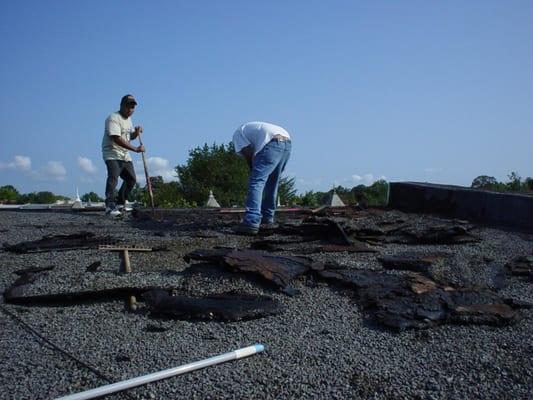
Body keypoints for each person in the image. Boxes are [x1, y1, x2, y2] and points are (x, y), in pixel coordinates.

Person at [232, 121, 292, 235]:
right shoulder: (249, 130)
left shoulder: (237, 135)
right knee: (272, 182)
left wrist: (252, 170)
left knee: (256, 182)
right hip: (287, 142)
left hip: (271, 142)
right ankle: (268, 217)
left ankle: (251, 221)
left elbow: (248, 153)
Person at [101, 94, 145, 216]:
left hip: (124, 155)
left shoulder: (128, 120)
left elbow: (129, 136)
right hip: (112, 152)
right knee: (113, 177)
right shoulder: (113, 118)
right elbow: (116, 138)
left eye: (132, 107)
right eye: (128, 106)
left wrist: (136, 133)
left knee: (131, 179)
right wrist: (136, 149)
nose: (130, 109)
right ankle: (109, 206)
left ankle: (120, 203)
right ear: (121, 105)